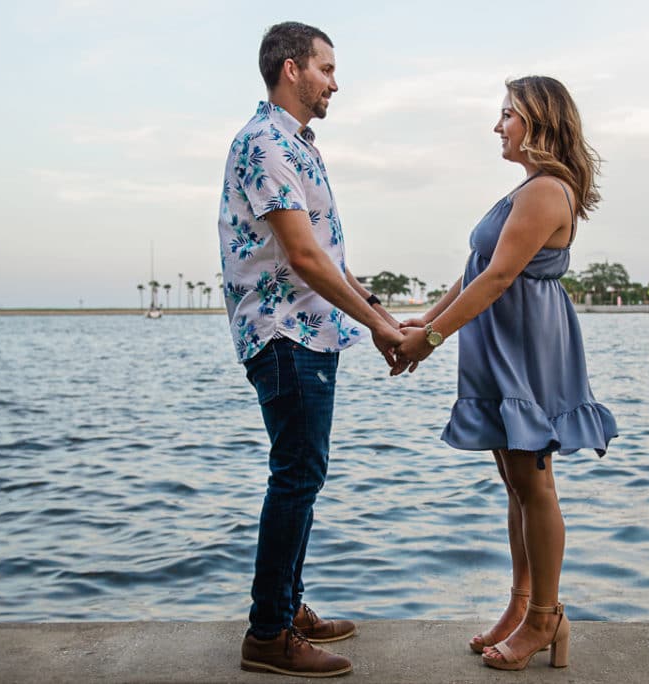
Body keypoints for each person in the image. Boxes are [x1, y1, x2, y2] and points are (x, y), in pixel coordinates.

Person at [395, 76, 618, 671]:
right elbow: (479, 270)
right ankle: (523, 605)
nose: (498, 126)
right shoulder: (526, 189)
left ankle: (547, 618)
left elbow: (497, 280)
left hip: (527, 346)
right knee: (516, 481)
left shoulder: (547, 190)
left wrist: (431, 341)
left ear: (538, 122)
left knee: (534, 482)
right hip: (500, 342)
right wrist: (430, 317)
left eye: (508, 116)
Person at [217, 21, 404, 678]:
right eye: (326, 67)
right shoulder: (264, 144)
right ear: (292, 68)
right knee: (296, 476)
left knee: (303, 473)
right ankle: (267, 634)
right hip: (284, 333)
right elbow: (300, 257)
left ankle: (286, 606)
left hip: (309, 332)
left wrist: (378, 316)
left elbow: (324, 255)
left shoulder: (295, 145)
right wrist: (380, 329)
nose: (334, 81)